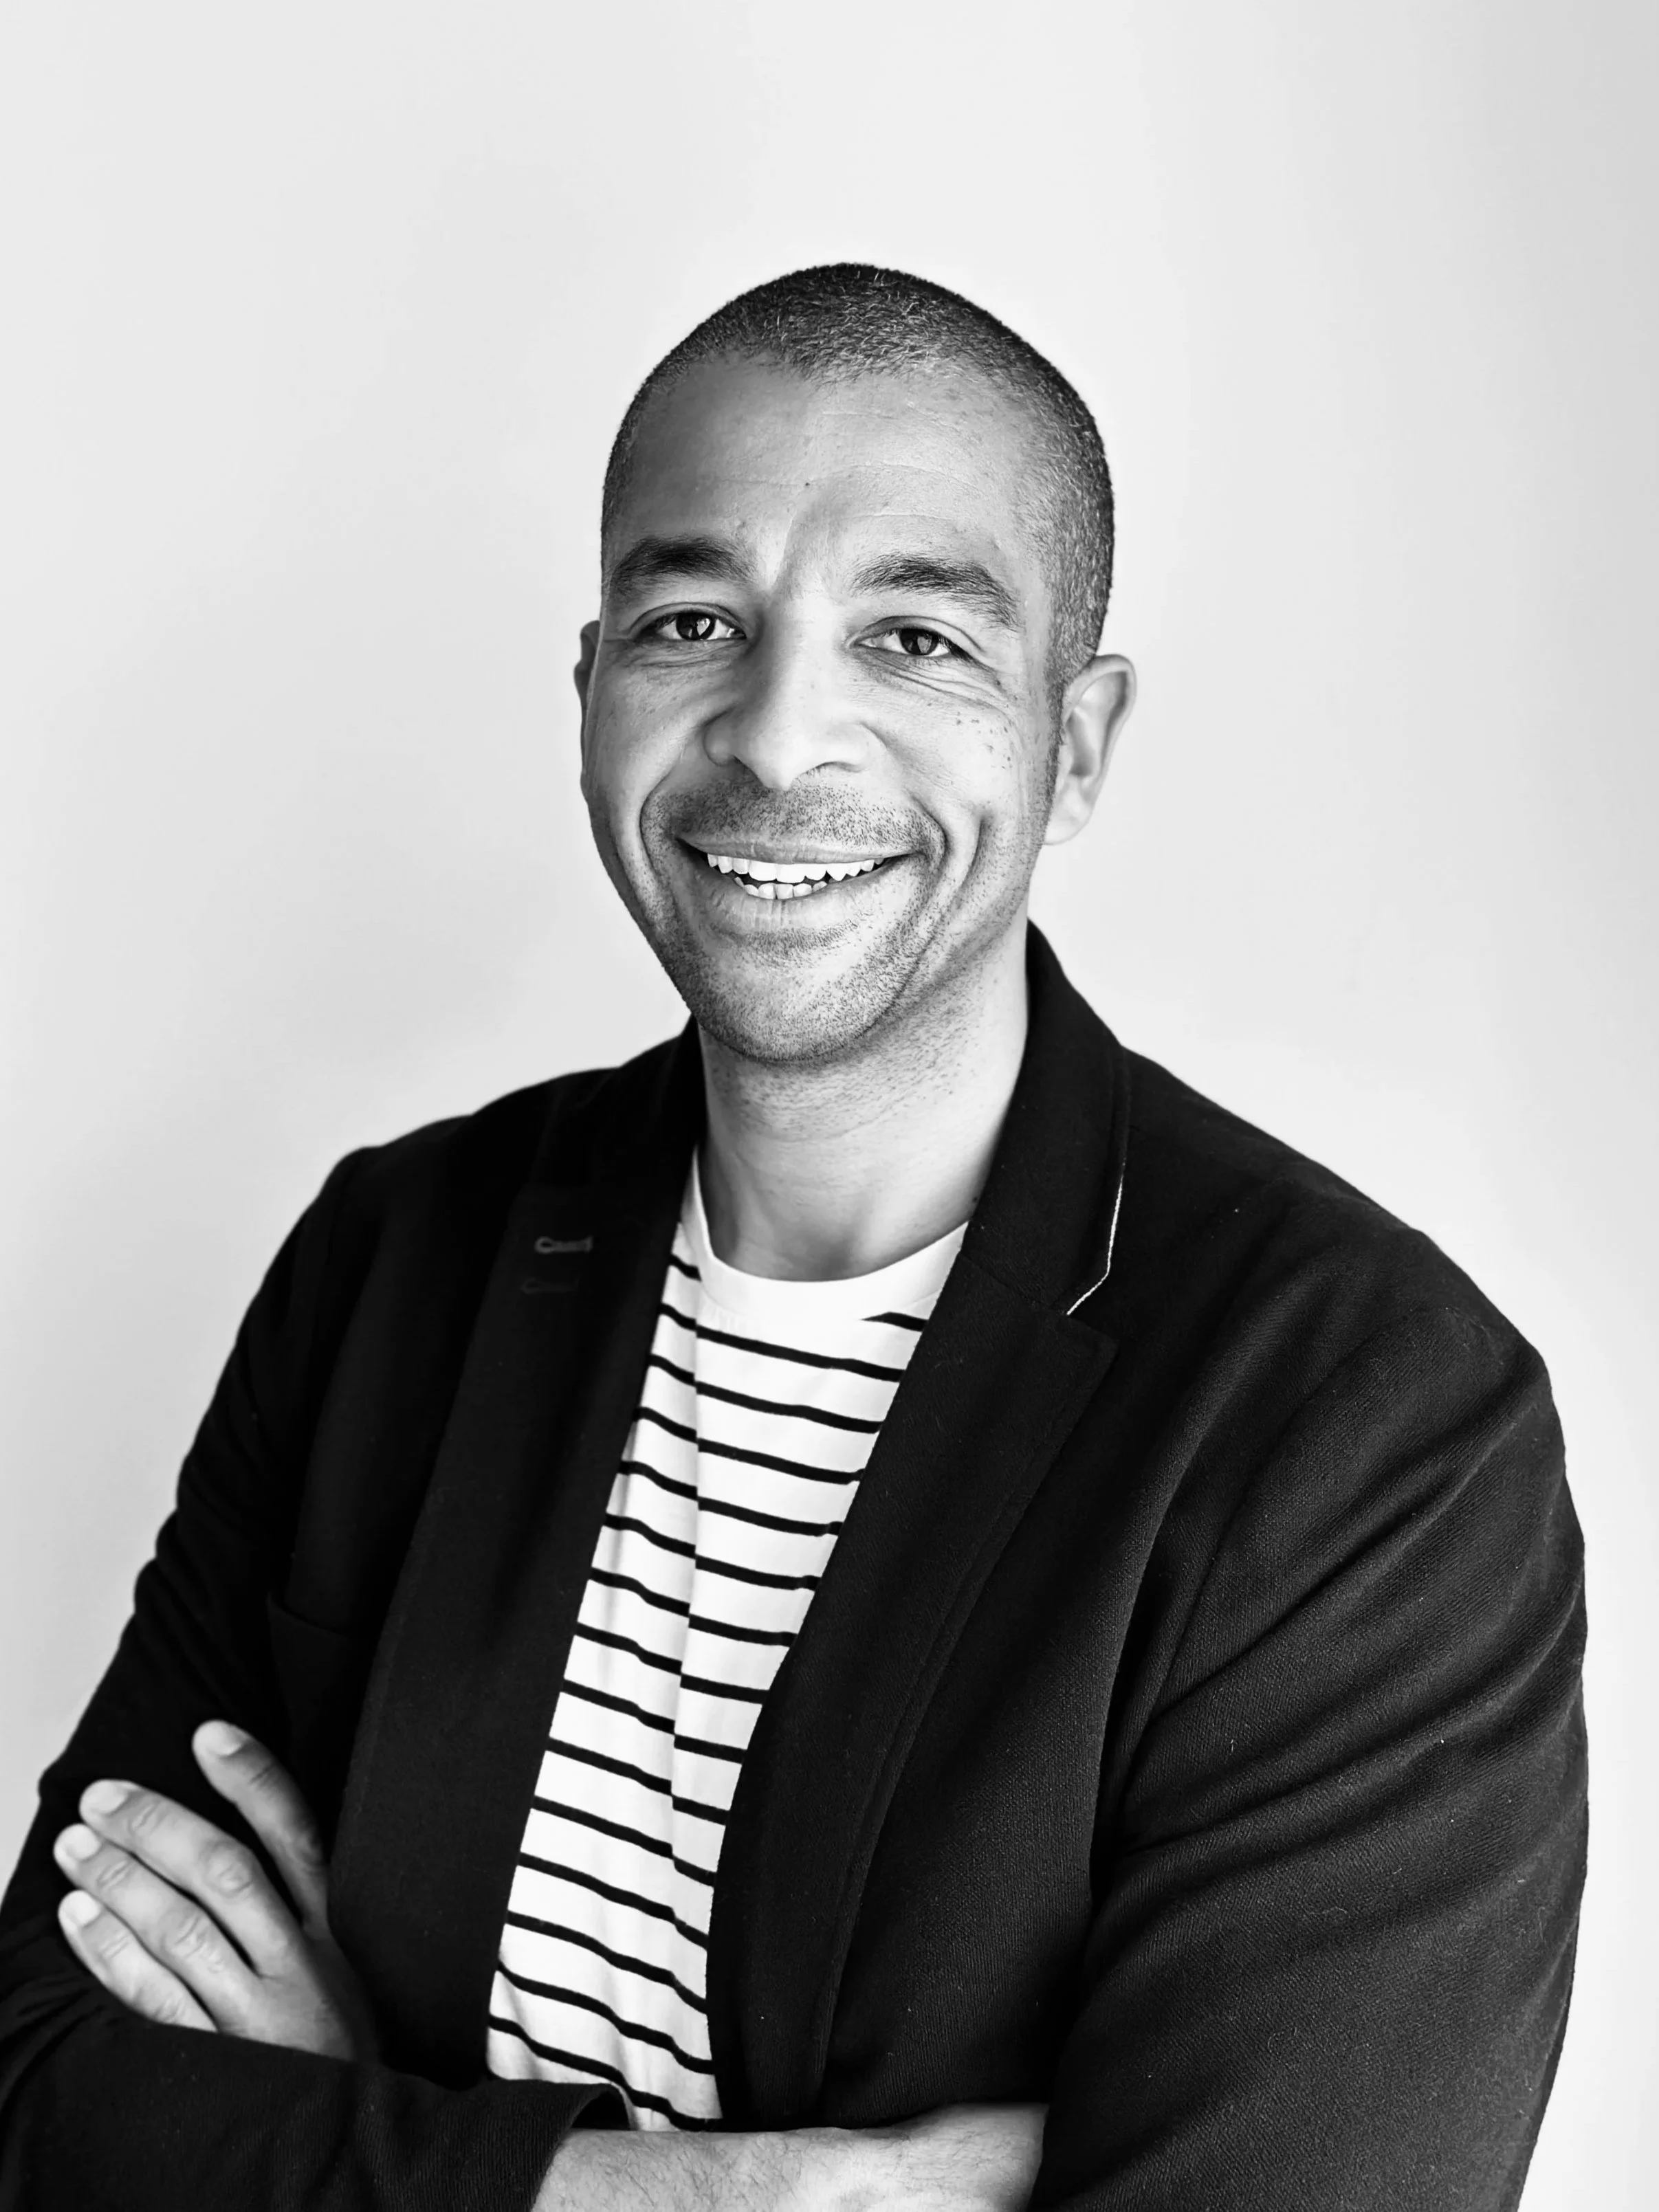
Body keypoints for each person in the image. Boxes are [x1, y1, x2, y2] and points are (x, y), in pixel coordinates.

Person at [0, 265, 1586, 2212]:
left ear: (1074, 746)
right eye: (693, 622)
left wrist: (337, 2137)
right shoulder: (390, 1260)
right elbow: (41, 2093)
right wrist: (760, 2196)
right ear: (590, 690)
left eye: (914, 637)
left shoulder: (1362, 1425)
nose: (774, 737)